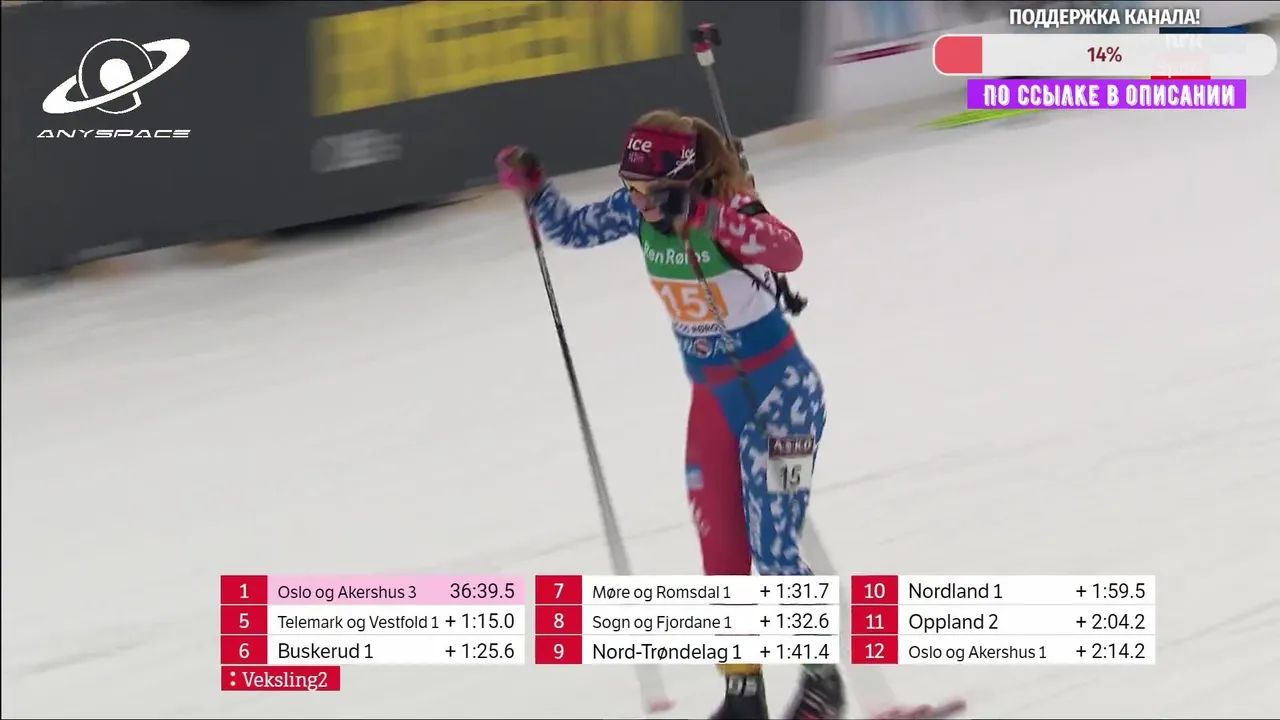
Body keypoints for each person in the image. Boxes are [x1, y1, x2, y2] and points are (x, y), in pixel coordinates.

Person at [496, 110, 844, 720]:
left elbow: (788, 252)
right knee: (722, 554)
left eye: (644, 187)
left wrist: (706, 216)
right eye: (627, 184)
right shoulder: (639, 213)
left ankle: (822, 683)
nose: (633, 197)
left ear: (679, 181)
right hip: (712, 404)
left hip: (780, 401)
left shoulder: (732, 209)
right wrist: (537, 189)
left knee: (773, 552)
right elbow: (572, 230)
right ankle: (744, 695)